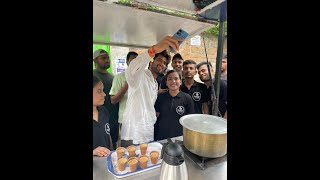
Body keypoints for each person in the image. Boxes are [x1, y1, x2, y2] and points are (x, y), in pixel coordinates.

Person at [121, 36, 183, 146]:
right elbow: (132, 68)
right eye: (159, 60)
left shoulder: (155, 83)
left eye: (164, 63)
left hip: (147, 133)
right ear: (151, 61)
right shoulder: (140, 76)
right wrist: (152, 50)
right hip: (133, 132)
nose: (162, 64)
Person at [154, 70, 194, 140]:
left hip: (180, 137)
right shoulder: (161, 97)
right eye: (170, 79)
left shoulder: (187, 98)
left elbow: (190, 120)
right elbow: (156, 115)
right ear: (166, 82)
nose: (173, 81)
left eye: (176, 78)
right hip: (162, 136)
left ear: (181, 82)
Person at [109, 51, 138, 147]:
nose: (135, 63)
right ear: (127, 62)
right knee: (128, 149)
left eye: (137, 61)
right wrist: (126, 86)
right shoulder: (119, 77)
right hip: (126, 120)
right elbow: (113, 100)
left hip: (140, 120)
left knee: (141, 147)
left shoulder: (142, 77)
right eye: (132, 61)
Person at [93, 49, 119, 149]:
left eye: (107, 57)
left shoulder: (113, 77)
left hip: (111, 117)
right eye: (103, 58)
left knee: (111, 143)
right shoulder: (94, 76)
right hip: (96, 118)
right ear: (95, 60)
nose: (107, 60)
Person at [93, 75, 112, 157]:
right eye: (99, 91)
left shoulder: (103, 111)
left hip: (106, 161)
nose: (104, 94)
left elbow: (108, 136)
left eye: (103, 90)